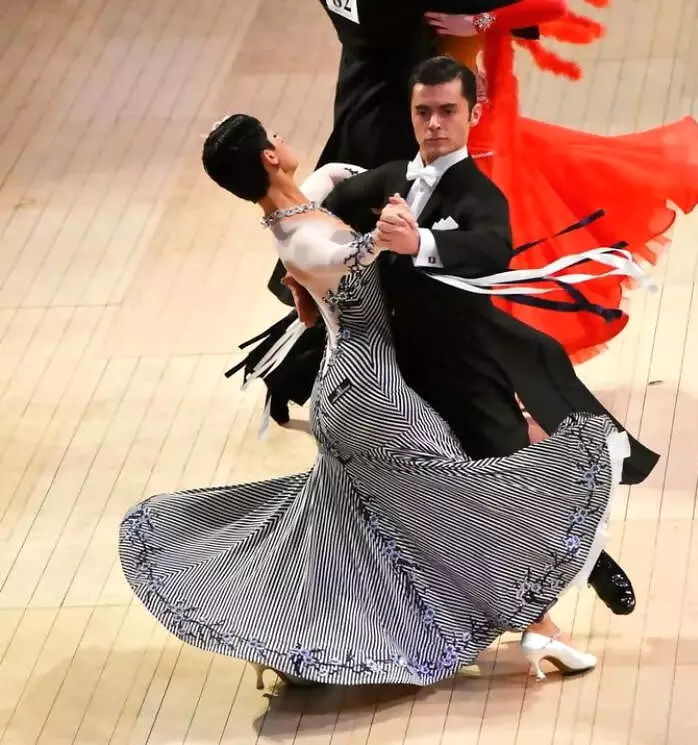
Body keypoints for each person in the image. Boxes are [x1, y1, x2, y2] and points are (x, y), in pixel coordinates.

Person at [119, 111, 631, 688]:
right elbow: (362, 252)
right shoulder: (305, 237)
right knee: (459, 503)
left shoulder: (303, 203)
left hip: (372, 378)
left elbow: (340, 183)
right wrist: (389, 227)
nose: (285, 141)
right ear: (267, 156)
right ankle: (538, 626)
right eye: (274, 137)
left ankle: (301, 643)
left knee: (358, 533)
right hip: (369, 395)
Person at [237, 56, 659, 615]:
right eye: (423, 111)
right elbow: (308, 224)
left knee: (514, 474)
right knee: (407, 503)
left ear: (472, 114)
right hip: (384, 377)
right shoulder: (385, 179)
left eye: (447, 111)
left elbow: (490, 248)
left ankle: (593, 563)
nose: (434, 123)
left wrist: (420, 245)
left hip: (459, 366)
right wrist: (299, 287)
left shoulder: (478, 195)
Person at [258, 0, 538, 425]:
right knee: (389, 276)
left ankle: (289, 372)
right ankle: (298, 373)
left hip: (359, 100)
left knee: (363, 276)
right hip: (395, 127)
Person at [426, 0, 698, 361]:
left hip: (491, 152)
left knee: (515, 269)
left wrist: (476, 22)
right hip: (455, 151)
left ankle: (511, 377)